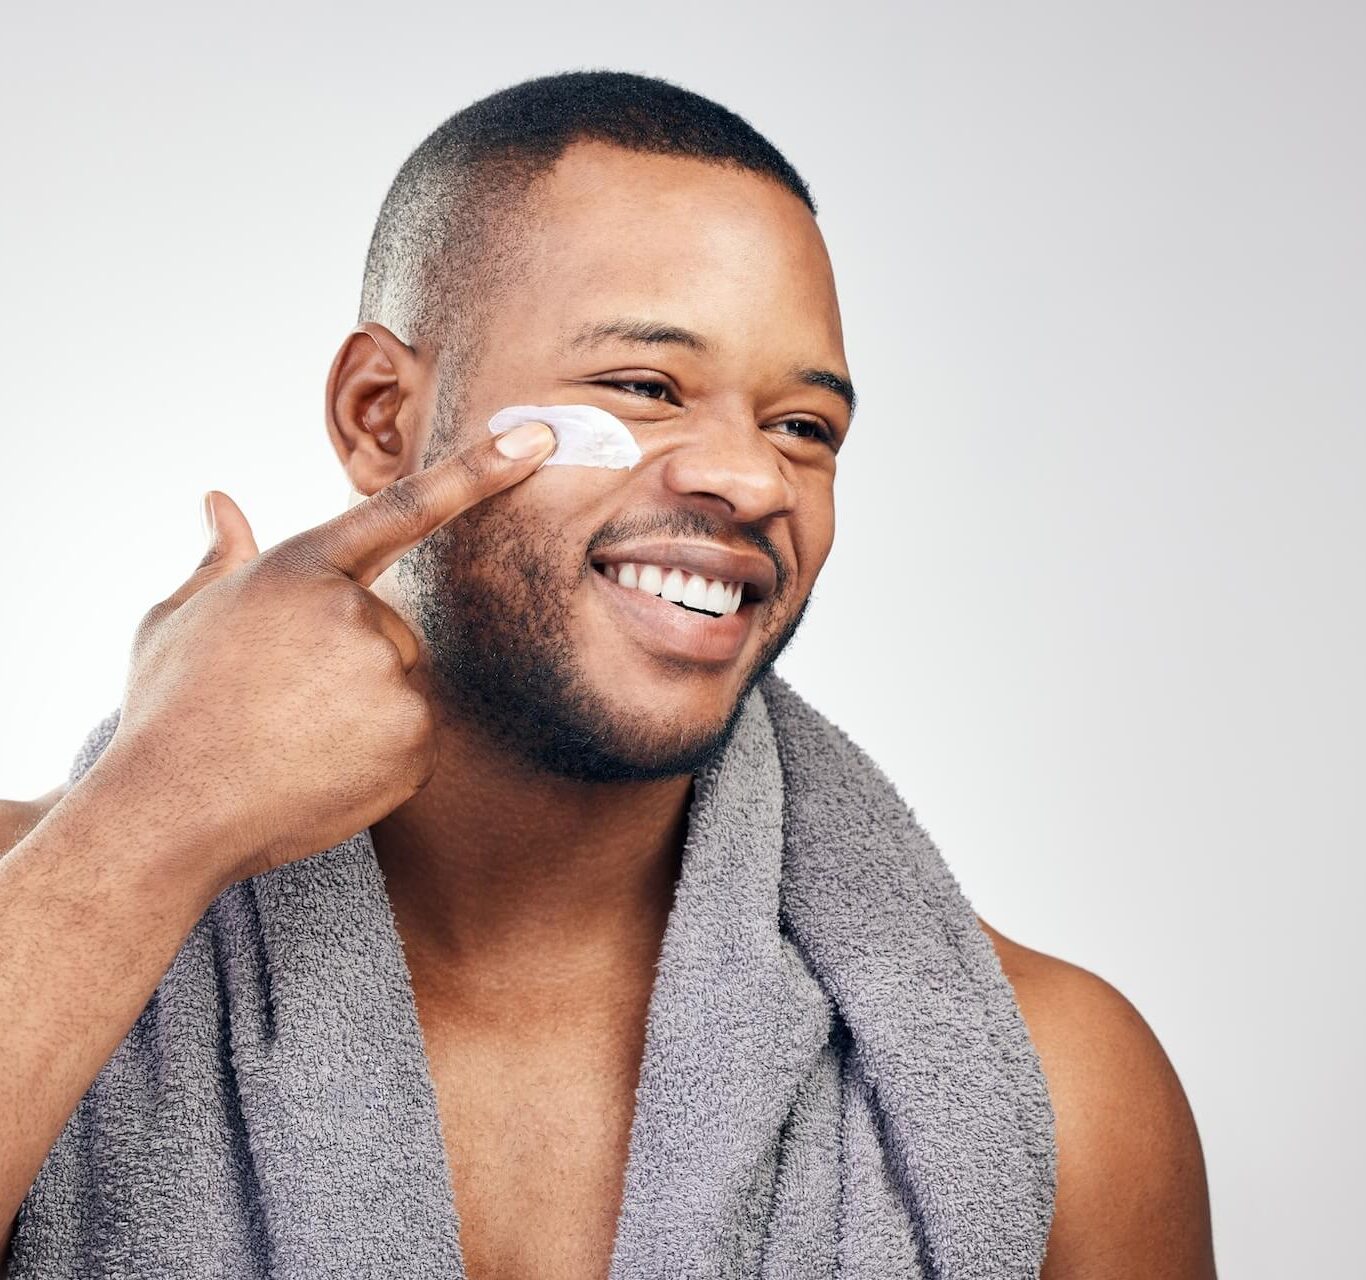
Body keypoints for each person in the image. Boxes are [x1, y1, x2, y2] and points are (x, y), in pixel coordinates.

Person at [0, 72, 1216, 1278]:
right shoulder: (45, 906)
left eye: (803, 426)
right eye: (643, 387)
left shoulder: (1053, 1085)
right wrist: (149, 821)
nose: (752, 480)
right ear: (380, 415)